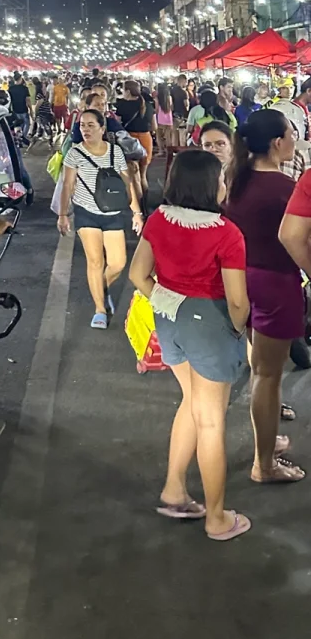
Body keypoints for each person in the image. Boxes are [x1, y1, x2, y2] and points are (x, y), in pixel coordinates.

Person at [128, 150, 250, 541]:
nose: (223, 185)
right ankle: (217, 519)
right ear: (208, 185)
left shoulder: (159, 219)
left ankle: (174, 489)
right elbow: (236, 301)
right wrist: (237, 328)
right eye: (220, 179)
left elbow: (136, 274)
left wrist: (166, 300)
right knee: (211, 420)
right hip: (210, 323)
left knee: (191, 402)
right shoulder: (225, 233)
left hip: (171, 319)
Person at [223, 109, 305, 484]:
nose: (295, 140)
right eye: (291, 134)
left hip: (241, 280)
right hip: (275, 284)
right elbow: (296, 238)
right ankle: (265, 463)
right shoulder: (285, 189)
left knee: (261, 370)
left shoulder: (235, 179)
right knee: (268, 376)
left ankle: (267, 442)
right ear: (277, 143)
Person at [57, 108, 142, 329]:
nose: (85, 129)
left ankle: (100, 290)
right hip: (86, 212)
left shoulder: (115, 152)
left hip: (112, 213)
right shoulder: (74, 154)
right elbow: (67, 185)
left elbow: (127, 184)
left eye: (90, 125)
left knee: (118, 263)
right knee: (95, 261)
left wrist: (137, 213)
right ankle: (100, 309)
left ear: (102, 128)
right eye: (82, 125)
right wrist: (63, 213)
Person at [8, 72, 30, 139]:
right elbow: (28, 100)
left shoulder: (10, 89)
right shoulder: (25, 88)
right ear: (20, 79)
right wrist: (31, 110)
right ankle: (23, 136)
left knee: (18, 124)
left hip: (15, 110)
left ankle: (19, 137)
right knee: (26, 123)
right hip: (23, 109)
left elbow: (9, 101)